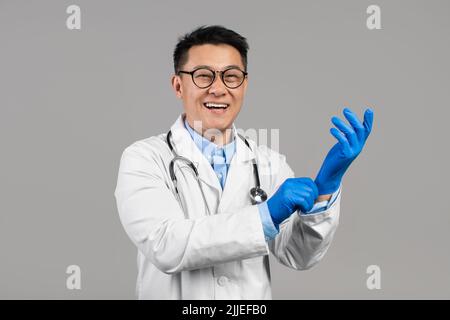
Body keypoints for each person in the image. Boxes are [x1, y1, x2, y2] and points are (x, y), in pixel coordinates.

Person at [114, 25, 373, 300]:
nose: (218, 89)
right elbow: (165, 245)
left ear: (244, 84)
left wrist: (326, 188)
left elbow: (298, 255)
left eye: (231, 77)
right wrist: (266, 215)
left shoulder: (269, 163)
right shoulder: (144, 158)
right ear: (178, 86)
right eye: (203, 76)